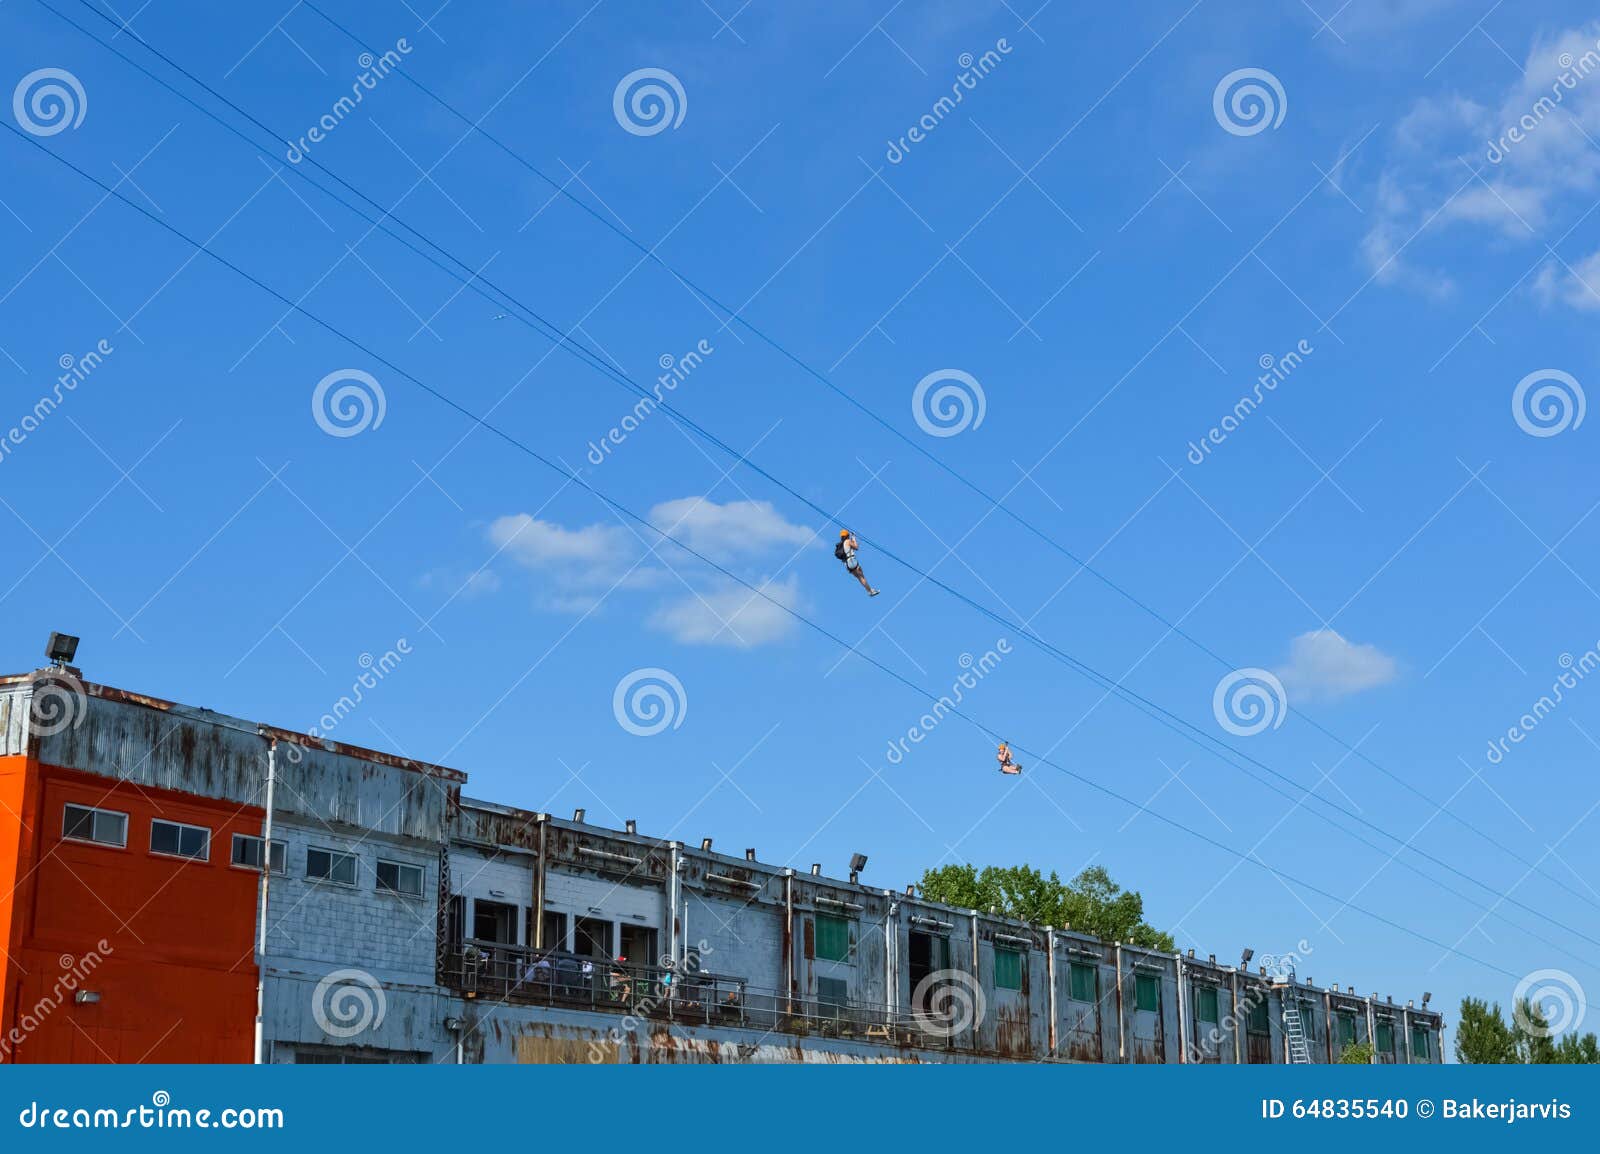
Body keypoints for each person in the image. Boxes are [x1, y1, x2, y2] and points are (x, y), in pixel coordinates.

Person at [835, 529, 880, 596]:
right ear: (847, 535)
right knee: (862, 576)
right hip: (852, 561)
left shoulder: (841, 544)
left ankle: (869, 590)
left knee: (859, 578)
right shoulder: (847, 541)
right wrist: (854, 538)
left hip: (847, 565)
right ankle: (870, 591)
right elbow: (856, 547)